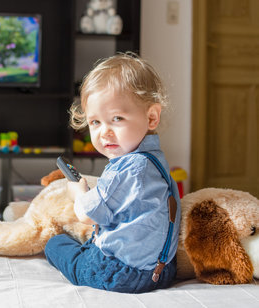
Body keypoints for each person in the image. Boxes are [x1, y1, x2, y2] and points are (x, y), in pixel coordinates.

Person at [44, 53, 181, 293]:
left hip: (119, 273)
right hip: (163, 271)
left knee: (56, 244)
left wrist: (79, 191)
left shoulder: (128, 168)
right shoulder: (155, 160)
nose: (104, 132)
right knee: (87, 241)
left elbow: (87, 214)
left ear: (151, 117)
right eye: (95, 122)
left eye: (117, 119)